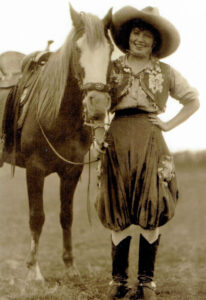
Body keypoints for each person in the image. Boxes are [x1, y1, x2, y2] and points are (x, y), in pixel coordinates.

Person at [94, 5, 200, 300]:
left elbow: (193, 101)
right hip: (117, 139)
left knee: (150, 206)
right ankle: (118, 281)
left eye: (146, 35)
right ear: (128, 37)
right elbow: (93, 104)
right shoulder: (110, 68)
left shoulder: (165, 72)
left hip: (151, 140)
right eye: (135, 33)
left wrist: (168, 124)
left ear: (155, 43)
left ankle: (146, 282)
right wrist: (99, 134)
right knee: (118, 207)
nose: (139, 39)